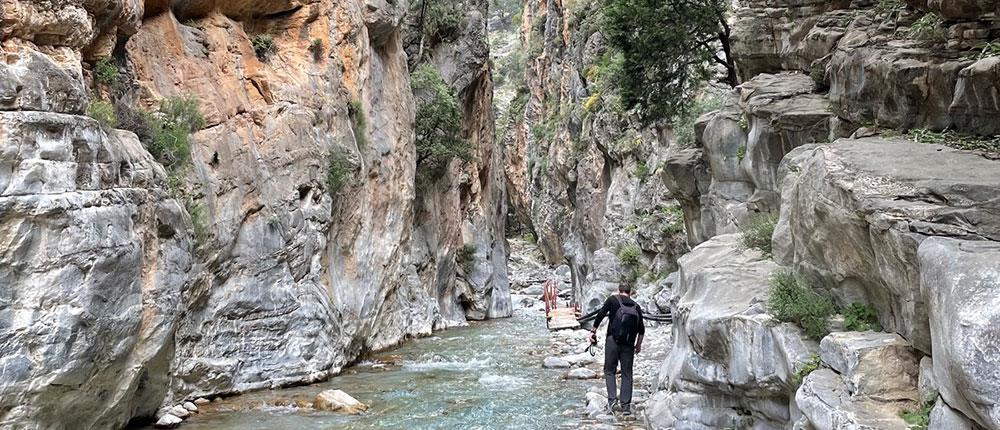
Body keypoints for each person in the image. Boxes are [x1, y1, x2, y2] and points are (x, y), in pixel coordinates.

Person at [590, 282, 644, 416]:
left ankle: (612, 402)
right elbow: (641, 329)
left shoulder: (613, 300)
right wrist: (638, 345)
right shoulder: (636, 306)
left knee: (609, 370)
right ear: (630, 292)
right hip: (628, 344)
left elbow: (601, 314)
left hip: (612, 340)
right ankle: (625, 407)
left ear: (619, 290)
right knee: (627, 373)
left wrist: (593, 331)